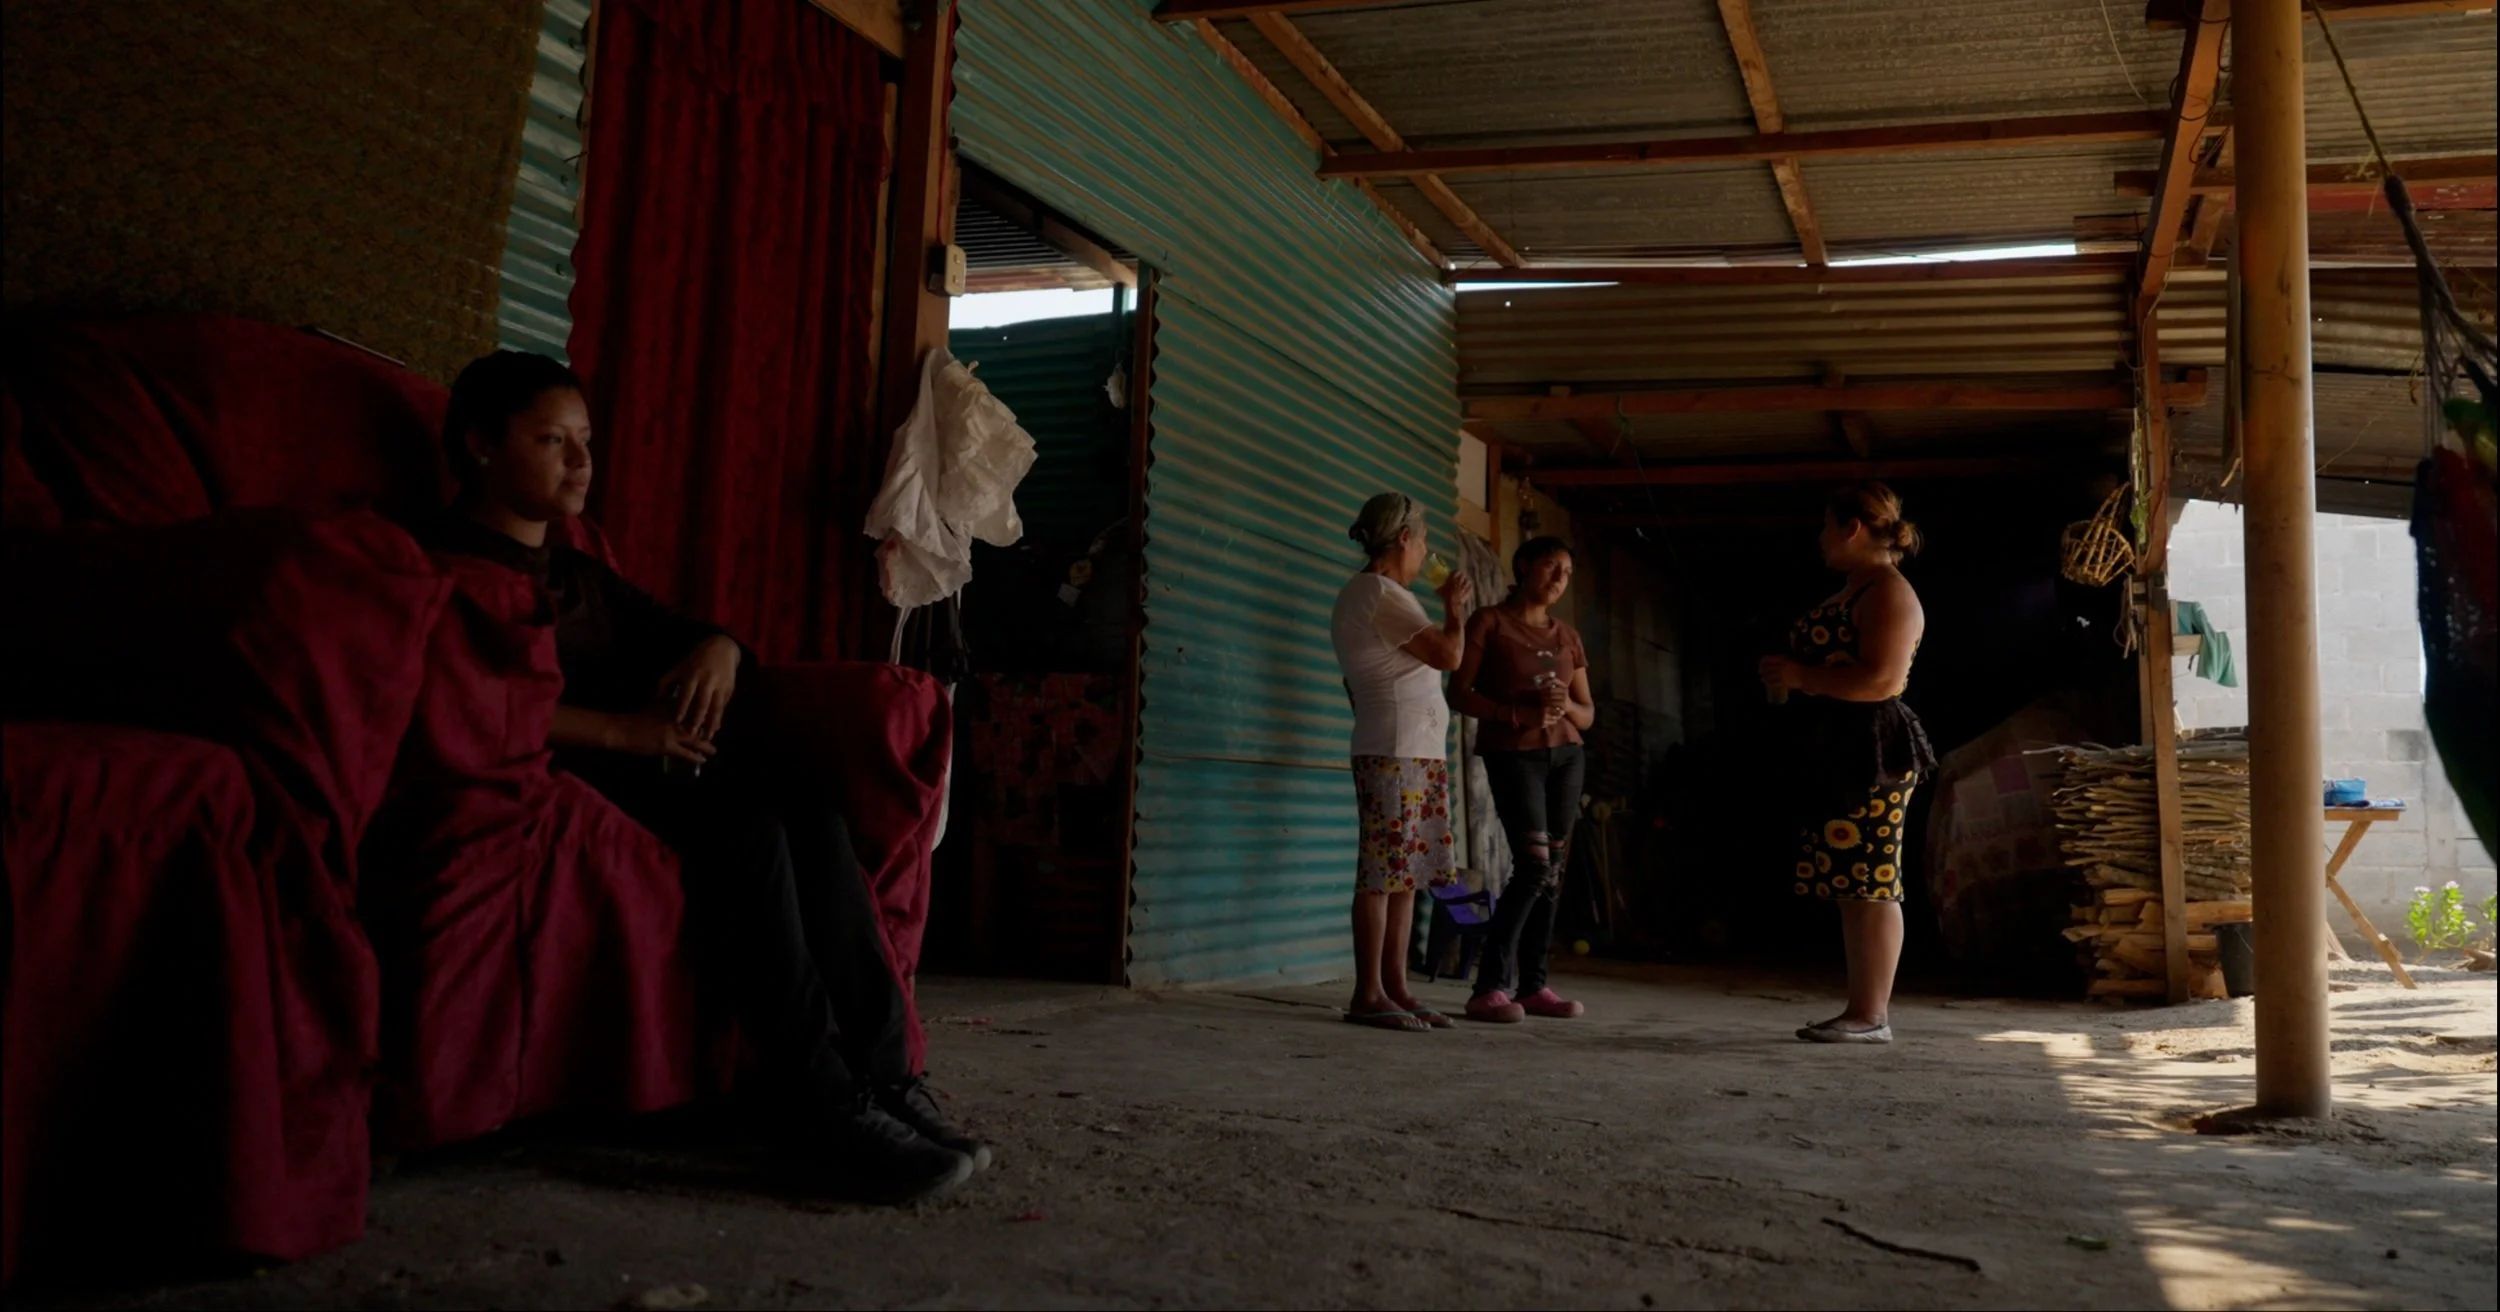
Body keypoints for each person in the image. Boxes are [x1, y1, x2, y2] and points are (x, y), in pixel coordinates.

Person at [426, 350, 985, 1202]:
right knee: (750, 833)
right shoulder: (437, 564)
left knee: (810, 807)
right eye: (551, 440)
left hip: (652, 754)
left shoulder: (575, 572)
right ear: (479, 446)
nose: (581, 462)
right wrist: (624, 731)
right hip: (566, 764)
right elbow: (457, 696)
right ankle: (821, 1106)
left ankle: (886, 1079)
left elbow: (682, 628)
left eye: (585, 439)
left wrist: (719, 648)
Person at [1758, 483, 1937, 1045]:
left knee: (1874, 878)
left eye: (1825, 526)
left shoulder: (1889, 592)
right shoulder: (1856, 589)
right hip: (1841, 747)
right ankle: (1862, 1010)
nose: (1820, 539)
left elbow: (1883, 680)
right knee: (1853, 882)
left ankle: (1872, 1015)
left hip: (1873, 751)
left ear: (1852, 528)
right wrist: (1788, 678)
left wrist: (1802, 677)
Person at [1329, 492, 1472, 1032]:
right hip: (1396, 750)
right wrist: (1454, 608)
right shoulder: (1379, 592)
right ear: (1405, 540)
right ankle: (1369, 992)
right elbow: (1450, 656)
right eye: (1425, 541)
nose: (1427, 553)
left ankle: (1396, 986)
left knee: (1404, 873)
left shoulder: (1378, 594)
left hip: (1411, 749)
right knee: (1382, 873)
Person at [1447, 537, 1596, 1024]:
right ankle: (1488, 987)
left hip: (1567, 754)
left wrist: (1561, 706)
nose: (1559, 578)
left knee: (1551, 871)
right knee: (1532, 866)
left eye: (1567, 572)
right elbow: (1460, 692)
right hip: (1515, 755)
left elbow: (1587, 713)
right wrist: (1514, 712)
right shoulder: (1489, 621)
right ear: (1525, 566)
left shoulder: (1568, 635)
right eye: (1551, 567)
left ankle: (1533, 987)